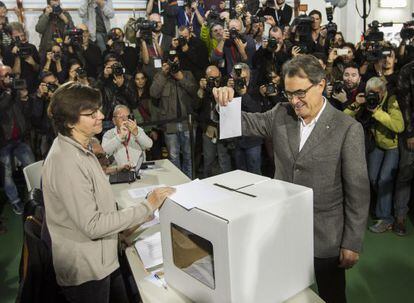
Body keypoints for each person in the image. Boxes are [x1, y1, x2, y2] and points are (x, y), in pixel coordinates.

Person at [213, 54, 370, 303]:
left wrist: (352, 242)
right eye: (288, 94)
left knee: (331, 295)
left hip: (325, 237)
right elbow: (241, 123)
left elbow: (358, 192)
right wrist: (225, 102)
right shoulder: (280, 113)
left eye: (300, 93)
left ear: (321, 85)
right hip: (282, 229)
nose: (294, 101)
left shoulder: (347, 129)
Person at [42, 81, 175, 303]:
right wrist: (147, 205)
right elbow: (92, 225)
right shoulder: (65, 161)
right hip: (89, 271)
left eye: (99, 110)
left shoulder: (80, 147)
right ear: (69, 121)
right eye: (91, 113)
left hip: (102, 259)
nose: (101, 116)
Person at [344, 77, 404, 233]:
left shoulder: (391, 100)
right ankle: (384, 207)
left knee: (384, 179)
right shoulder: (367, 101)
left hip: (392, 146)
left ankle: (385, 217)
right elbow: (345, 117)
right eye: (369, 93)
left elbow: (399, 126)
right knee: (371, 177)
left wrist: (377, 112)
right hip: (377, 144)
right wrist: (357, 103)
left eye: (375, 93)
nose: (372, 96)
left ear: (383, 92)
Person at [0, 65, 34, 215]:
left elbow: (26, 114)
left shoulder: (15, 91)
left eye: (10, 74)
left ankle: (36, 196)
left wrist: (25, 99)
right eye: (5, 75)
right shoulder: (7, 94)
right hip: (3, 143)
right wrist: (10, 92)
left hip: (20, 138)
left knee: (31, 166)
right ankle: (15, 202)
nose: (9, 77)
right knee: (6, 174)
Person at [393, 60, 414, 236]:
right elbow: (404, 104)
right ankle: (400, 216)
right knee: (405, 174)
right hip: (410, 131)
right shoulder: (407, 70)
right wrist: (410, 133)